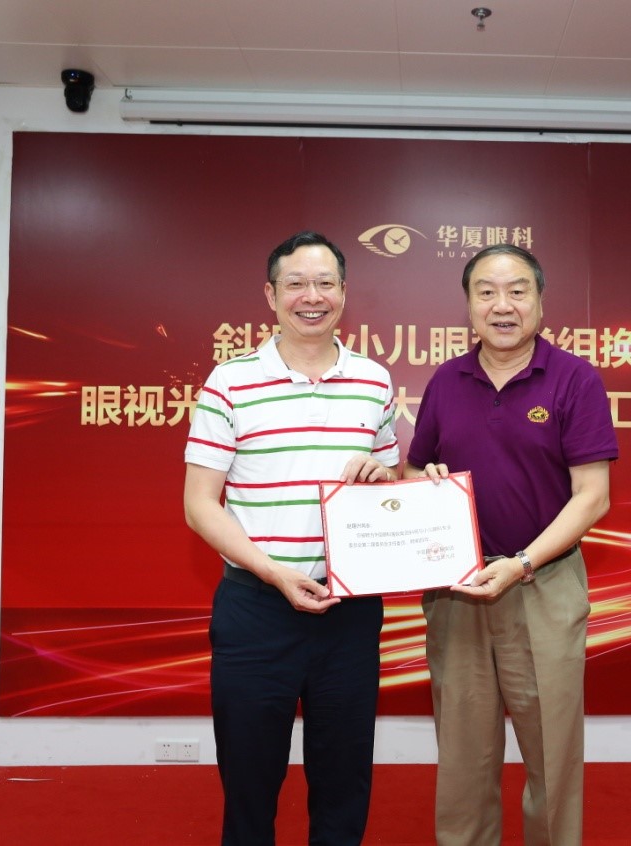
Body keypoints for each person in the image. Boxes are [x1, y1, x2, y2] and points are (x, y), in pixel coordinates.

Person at [183, 231, 400, 845]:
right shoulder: (230, 381)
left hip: (350, 611)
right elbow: (199, 504)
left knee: (344, 780)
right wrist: (275, 573)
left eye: (325, 283)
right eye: (296, 284)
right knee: (250, 783)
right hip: (257, 609)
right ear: (271, 295)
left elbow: (391, 481)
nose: (312, 296)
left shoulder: (373, 381)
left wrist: (384, 477)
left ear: (344, 292)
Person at [406, 244, 618, 846]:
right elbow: (416, 468)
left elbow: (592, 497)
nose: (503, 305)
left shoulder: (575, 378)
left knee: (552, 749)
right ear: (469, 305)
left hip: (542, 583)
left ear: (540, 302)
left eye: (517, 291)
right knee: (463, 753)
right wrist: (420, 480)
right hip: (457, 587)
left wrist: (522, 563)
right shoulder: (446, 380)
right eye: (487, 292)